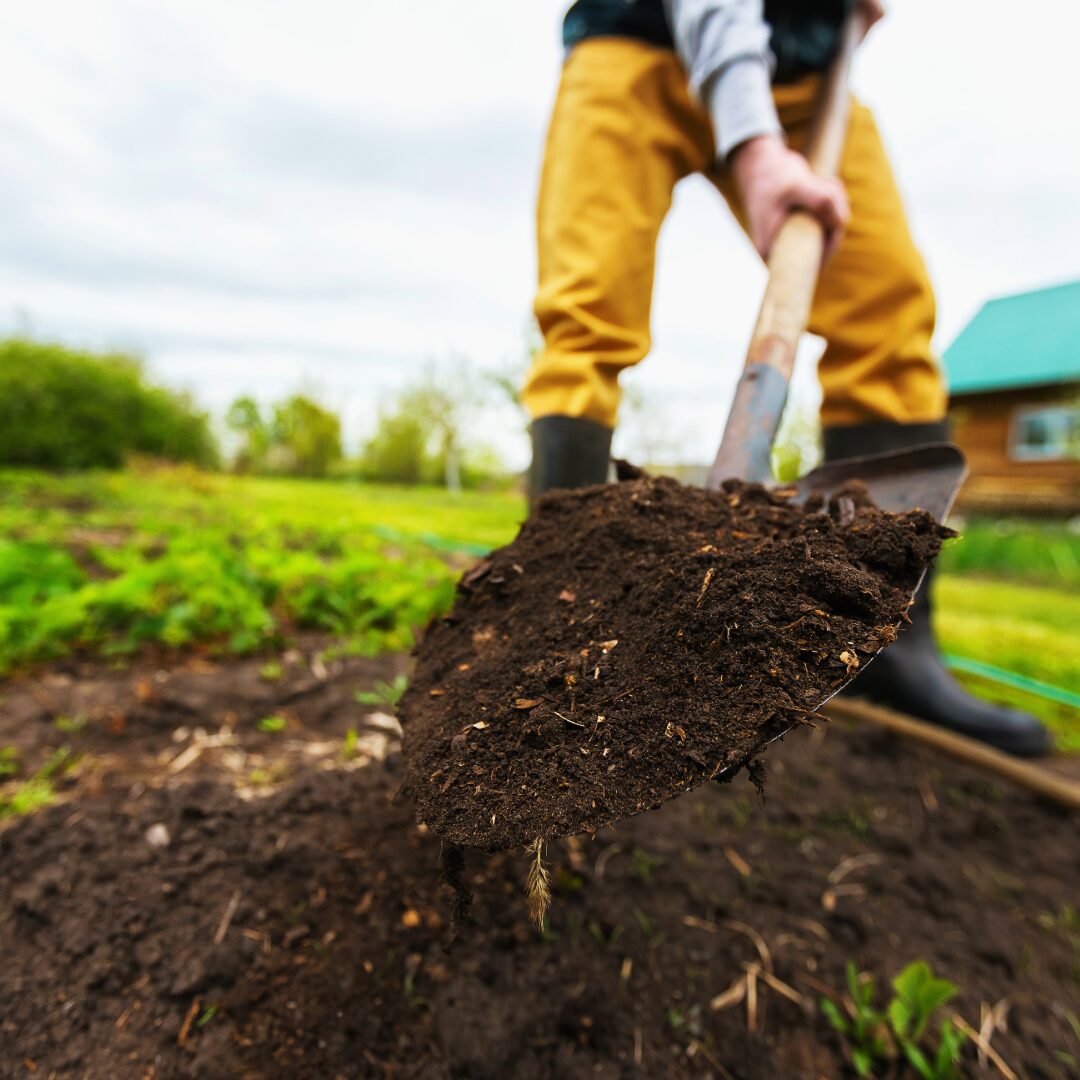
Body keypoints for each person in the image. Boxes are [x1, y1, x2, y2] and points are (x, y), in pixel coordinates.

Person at [521, 0, 1052, 757]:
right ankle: (551, 630)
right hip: (633, 42)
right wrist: (755, 147)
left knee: (888, 318)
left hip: (803, 79)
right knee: (587, 316)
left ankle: (883, 644)